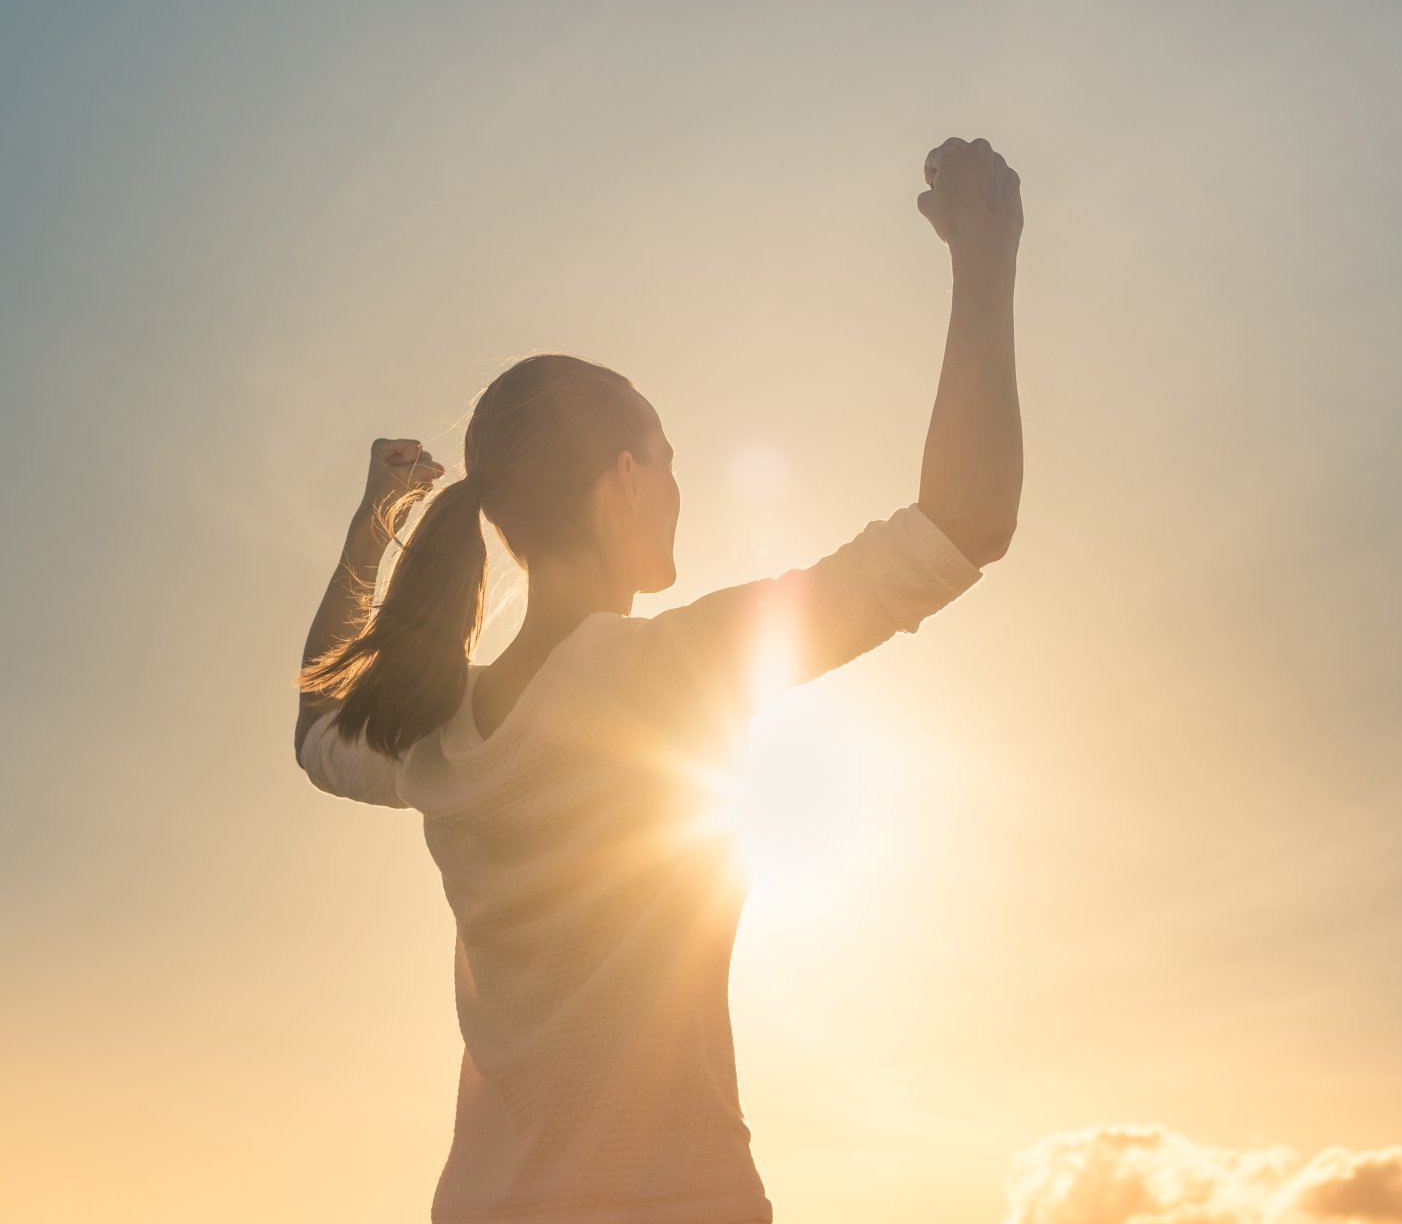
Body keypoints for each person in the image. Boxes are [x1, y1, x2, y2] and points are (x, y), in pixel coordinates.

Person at [294, 136, 1023, 1224]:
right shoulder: (668, 670)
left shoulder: (431, 734)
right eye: (669, 458)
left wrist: (374, 521)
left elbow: (313, 727)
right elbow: (962, 522)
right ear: (623, 480)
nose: (677, 485)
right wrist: (986, 261)